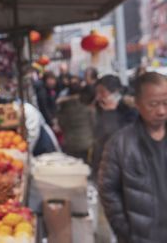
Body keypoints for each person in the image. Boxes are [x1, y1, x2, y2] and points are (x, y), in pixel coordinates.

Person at [98, 72, 167, 243]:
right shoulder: (120, 144)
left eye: (166, 103)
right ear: (137, 104)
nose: (161, 111)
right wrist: (125, 230)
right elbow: (107, 189)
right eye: (153, 104)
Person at [92, 75, 137, 178]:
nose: (98, 97)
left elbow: (119, 137)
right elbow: (99, 136)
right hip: (104, 164)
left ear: (115, 92)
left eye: (102, 92)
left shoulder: (131, 109)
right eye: (97, 93)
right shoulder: (100, 106)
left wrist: (110, 113)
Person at [56, 76, 95, 162]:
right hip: (86, 145)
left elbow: (61, 125)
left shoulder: (63, 108)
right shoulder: (87, 106)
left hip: (70, 145)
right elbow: (94, 124)